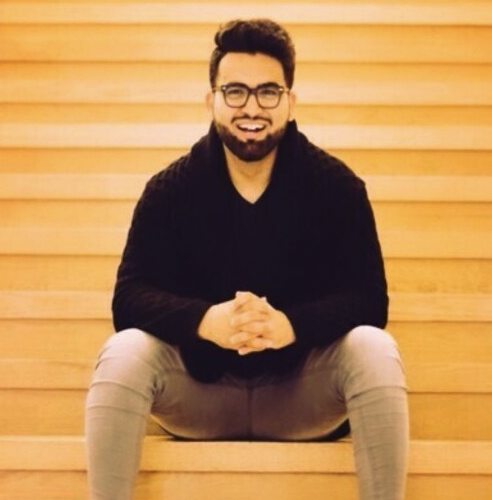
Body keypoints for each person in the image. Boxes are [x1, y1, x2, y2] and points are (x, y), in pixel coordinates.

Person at [85, 18, 409, 500]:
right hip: (199, 395)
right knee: (124, 351)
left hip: (302, 394)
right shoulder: (169, 190)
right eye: (235, 91)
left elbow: (369, 299)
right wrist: (205, 321)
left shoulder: (338, 187)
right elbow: (129, 298)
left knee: (374, 348)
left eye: (268, 92)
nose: (252, 108)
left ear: (290, 101)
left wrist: (291, 326)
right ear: (211, 99)